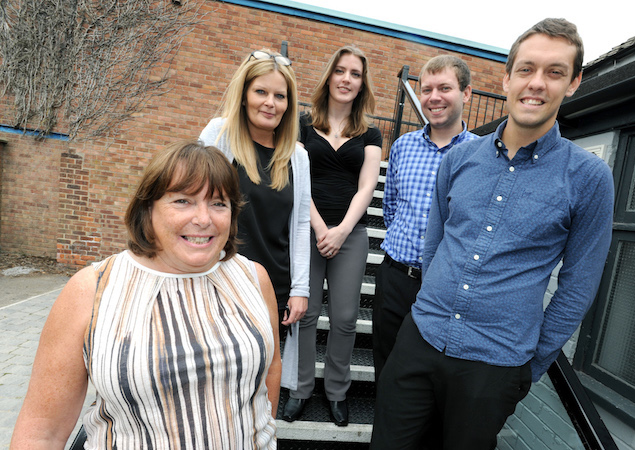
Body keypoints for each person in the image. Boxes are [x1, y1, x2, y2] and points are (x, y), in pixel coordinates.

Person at [370, 18, 615, 449]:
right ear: (506, 78)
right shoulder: (460, 159)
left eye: (554, 72)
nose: (536, 83)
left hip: (494, 364)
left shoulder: (588, 177)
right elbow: (435, 242)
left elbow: (579, 284)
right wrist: (428, 305)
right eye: (526, 69)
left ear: (573, 82)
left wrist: (529, 365)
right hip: (420, 339)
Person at [11, 141, 281, 449]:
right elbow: (42, 432)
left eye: (218, 203)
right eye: (183, 201)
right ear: (148, 208)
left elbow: (270, 367)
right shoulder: (92, 289)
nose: (204, 219)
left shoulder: (253, 279)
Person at [281, 45, 382, 426]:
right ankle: (300, 389)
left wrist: (341, 231)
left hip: (351, 235)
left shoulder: (370, 133)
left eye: (355, 74)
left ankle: (336, 392)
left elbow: (367, 187)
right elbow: (298, 181)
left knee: (344, 317)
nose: (347, 79)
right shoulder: (304, 125)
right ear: (330, 76)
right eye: (341, 71)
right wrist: (322, 228)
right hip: (308, 231)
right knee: (305, 315)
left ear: (361, 84)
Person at [373, 54, 478, 380]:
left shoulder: (482, 155)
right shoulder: (403, 146)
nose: (433, 97)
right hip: (395, 279)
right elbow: (390, 207)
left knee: (431, 379)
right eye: (426, 88)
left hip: (446, 287)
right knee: (386, 370)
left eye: (444, 88)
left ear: (467, 93)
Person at [199, 50, 311, 340]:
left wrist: (300, 289)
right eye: (261, 91)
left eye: (280, 96)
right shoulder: (218, 136)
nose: (270, 103)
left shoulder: (297, 157)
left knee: (265, 379)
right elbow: (193, 206)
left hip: (274, 289)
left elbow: (300, 225)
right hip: (219, 280)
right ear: (245, 94)